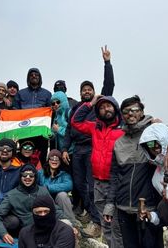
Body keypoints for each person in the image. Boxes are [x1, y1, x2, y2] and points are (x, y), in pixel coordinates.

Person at [103, 95, 168, 248]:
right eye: (126, 111)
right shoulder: (119, 143)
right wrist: (109, 204)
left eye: (135, 109)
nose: (130, 114)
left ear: (141, 112)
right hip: (123, 208)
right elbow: (115, 175)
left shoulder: (154, 131)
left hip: (149, 207)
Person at [62, 45, 114, 237]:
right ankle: (93, 216)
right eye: (83, 89)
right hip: (77, 151)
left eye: (89, 89)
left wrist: (107, 62)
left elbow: (109, 86)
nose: (86, 91)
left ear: (93, 92)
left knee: (93, 186)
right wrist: (65, 149)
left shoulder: (98, 106)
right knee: (79, 185)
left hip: (94, 148)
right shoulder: (76, 109)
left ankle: (97, 221)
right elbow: (70, 129)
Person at [71, 94, 123, 247]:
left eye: (108, 106)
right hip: (98, 182)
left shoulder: (124, 128)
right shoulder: (95, 127)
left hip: (116, 184)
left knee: (117, 224)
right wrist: (90, 103)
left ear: (115, 107)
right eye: (101, 107)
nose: (105, 109)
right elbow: (76, 121)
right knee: (105, 222)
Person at [0, 164, 65, 245]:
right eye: (24, 175)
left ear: (35, 177)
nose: (27, 177)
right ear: (20, 177)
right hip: (26, 232)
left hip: (46, 228)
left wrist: (68, 223)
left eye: (31, 175)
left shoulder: (43, 190)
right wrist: (3, 234)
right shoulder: (11, 195)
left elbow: (56, 209)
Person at [13, 68, 52, 163]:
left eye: (36, 75)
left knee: (41, 158)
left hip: (41, 134)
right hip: (24, 131)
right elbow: (15, 111)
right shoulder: (20, 94)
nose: (34, 76)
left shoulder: (47, 94)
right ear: (28, 78)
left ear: (40, 78)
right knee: (24, 157)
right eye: (31, 75)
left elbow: (51, 112)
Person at [37, 149, 76, 223]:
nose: (54, 161)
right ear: (48, 160)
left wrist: (48, 187)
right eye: (52, 159)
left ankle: (72, 223)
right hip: (44, 200)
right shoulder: (40, 173)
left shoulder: (64, 174)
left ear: (60, 161)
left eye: (57, 159)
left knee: (62, 195)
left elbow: (69, 185)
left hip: (59, 201)